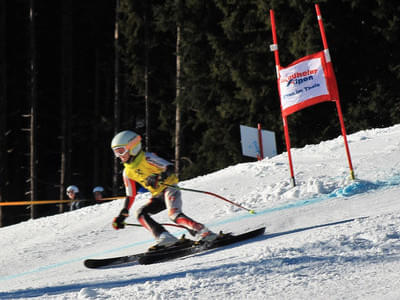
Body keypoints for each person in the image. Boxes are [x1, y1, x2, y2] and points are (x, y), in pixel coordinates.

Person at [111, 130, 217, 249]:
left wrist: (159, 176)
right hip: (158, 195)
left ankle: (204, 232)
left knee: (174, 214)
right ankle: (166, 238)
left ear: (133, 147)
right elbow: (130, 195)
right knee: (141, 214)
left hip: (169, 188)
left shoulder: (147, 158)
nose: (119, 156)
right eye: (116, 153)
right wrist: (123, 213)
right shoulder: (127, 172)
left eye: (121, 151)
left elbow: (170, 168)